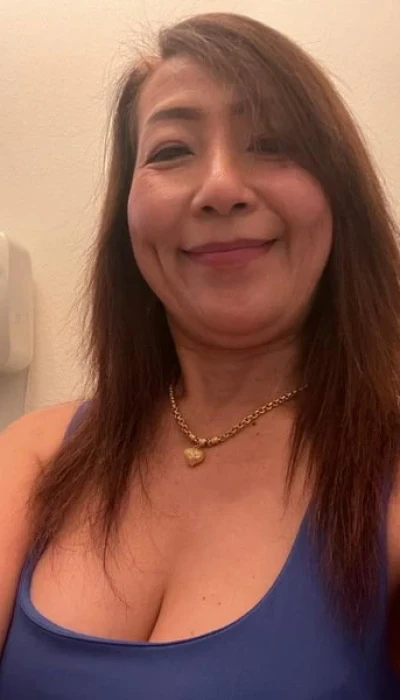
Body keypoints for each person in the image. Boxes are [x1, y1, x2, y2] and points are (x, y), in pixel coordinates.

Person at [0, 11, 399, 698]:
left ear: (340, 199)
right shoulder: (35, 455)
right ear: (127, 215)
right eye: (171, 151)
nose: (219, 188)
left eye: (271, 142)